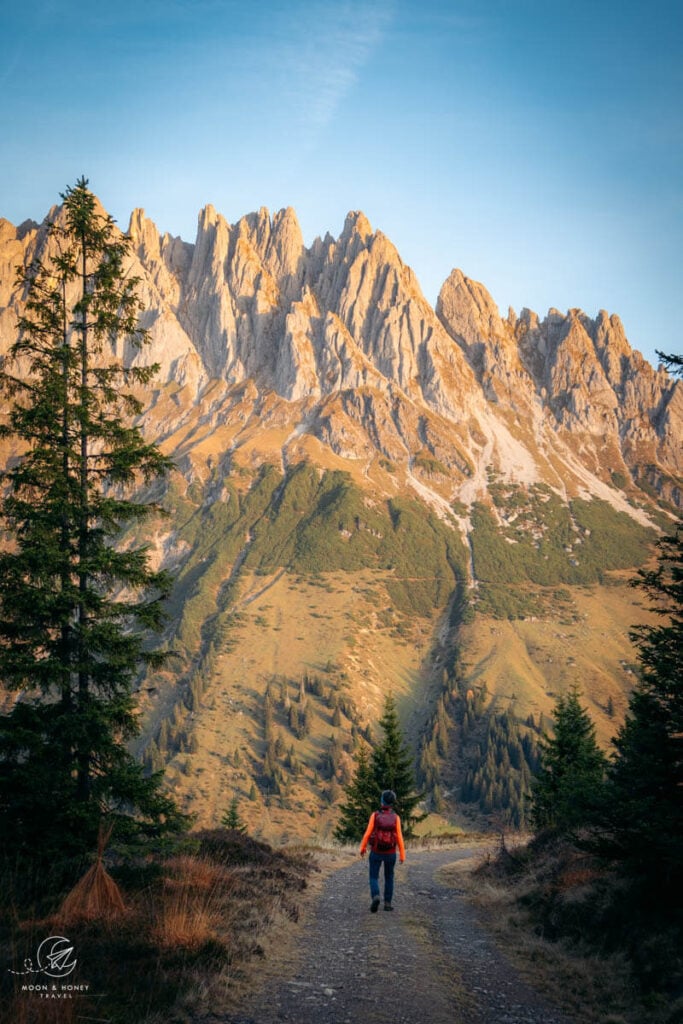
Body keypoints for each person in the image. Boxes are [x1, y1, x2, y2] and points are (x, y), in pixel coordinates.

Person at [359, 789, 406, 912]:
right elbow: (400, 836)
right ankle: (388, 904)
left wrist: (363, 848)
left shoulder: (375, 815)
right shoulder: (396, 817)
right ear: (392, 803)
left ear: (382, 801)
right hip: (390, 853)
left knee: (373, 876)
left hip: (376, 851)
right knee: (389, 877)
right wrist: (402, 854)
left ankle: (376, 896)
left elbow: (367, 834)